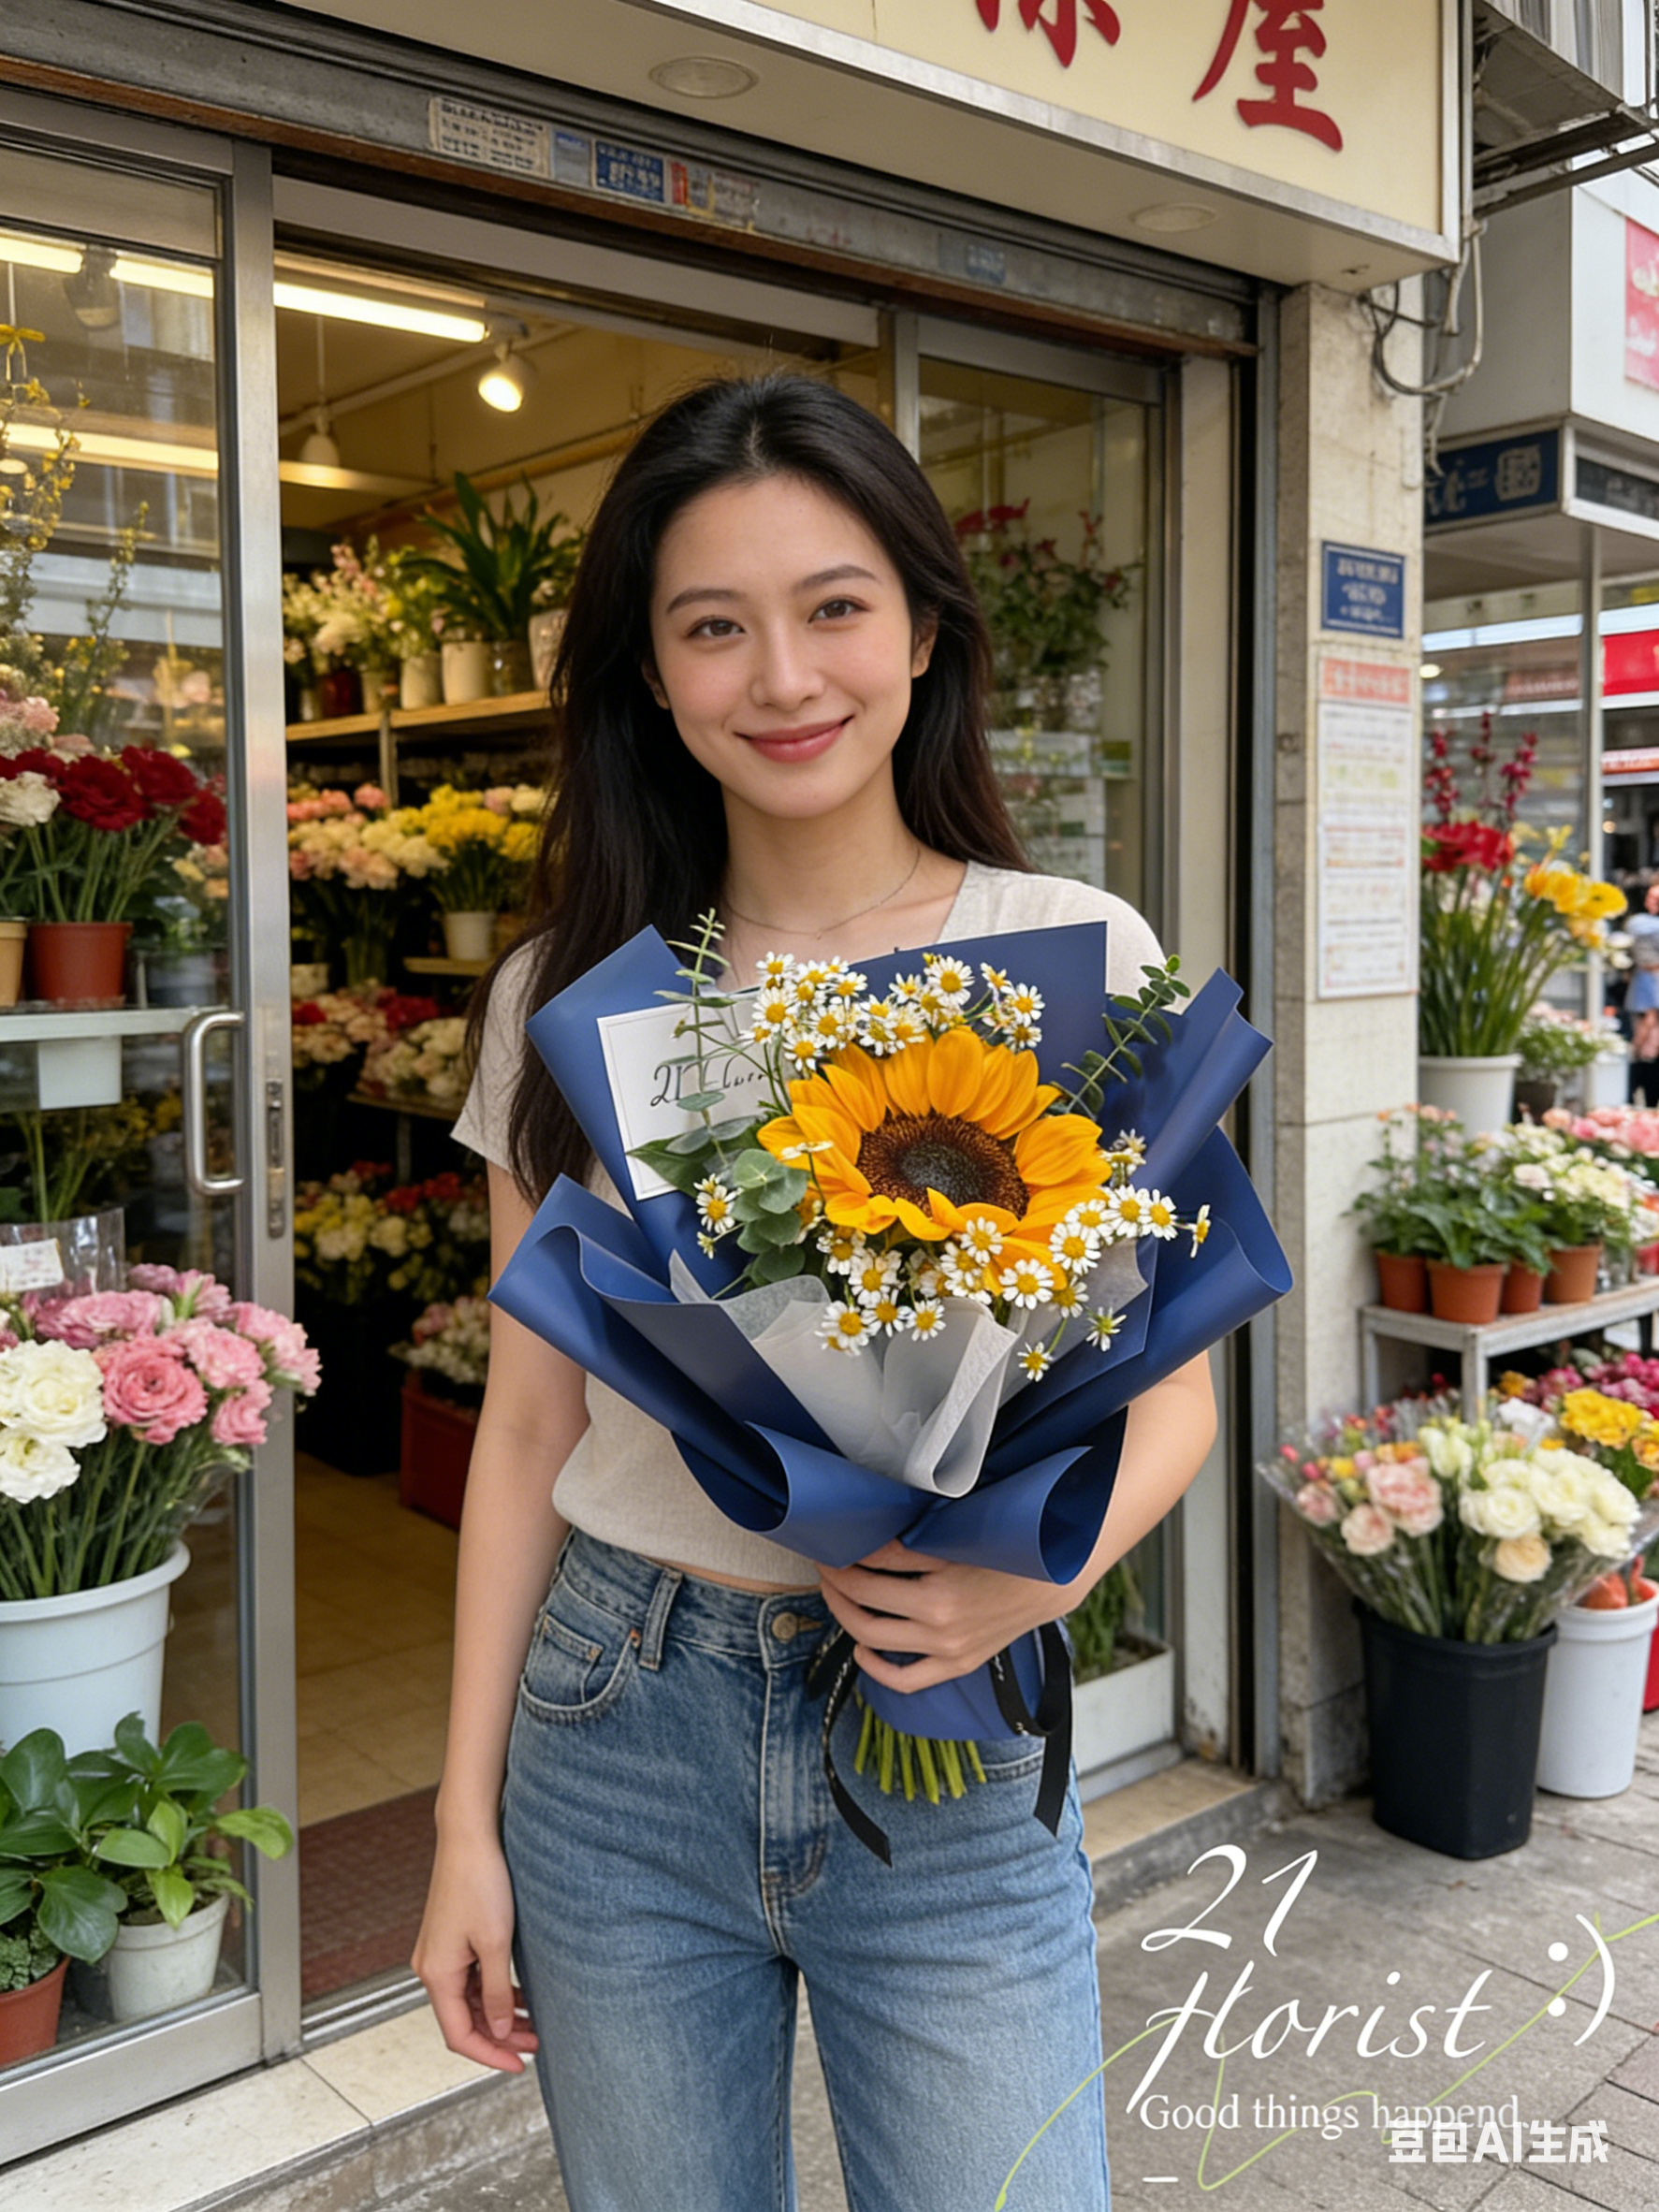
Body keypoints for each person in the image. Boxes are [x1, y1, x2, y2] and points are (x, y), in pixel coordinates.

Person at [415, 373, 1220, 2211]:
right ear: (649, 674)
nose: (781, 677)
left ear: (925, 631)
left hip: (943, 1730)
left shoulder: (1069, 957)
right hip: (616, 1726)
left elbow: (1166, 1388)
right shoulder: (575, 987)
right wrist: (463, 1826)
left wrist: (1045, 1569)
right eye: (713, 626)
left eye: (834, 606)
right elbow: (530, 1416)